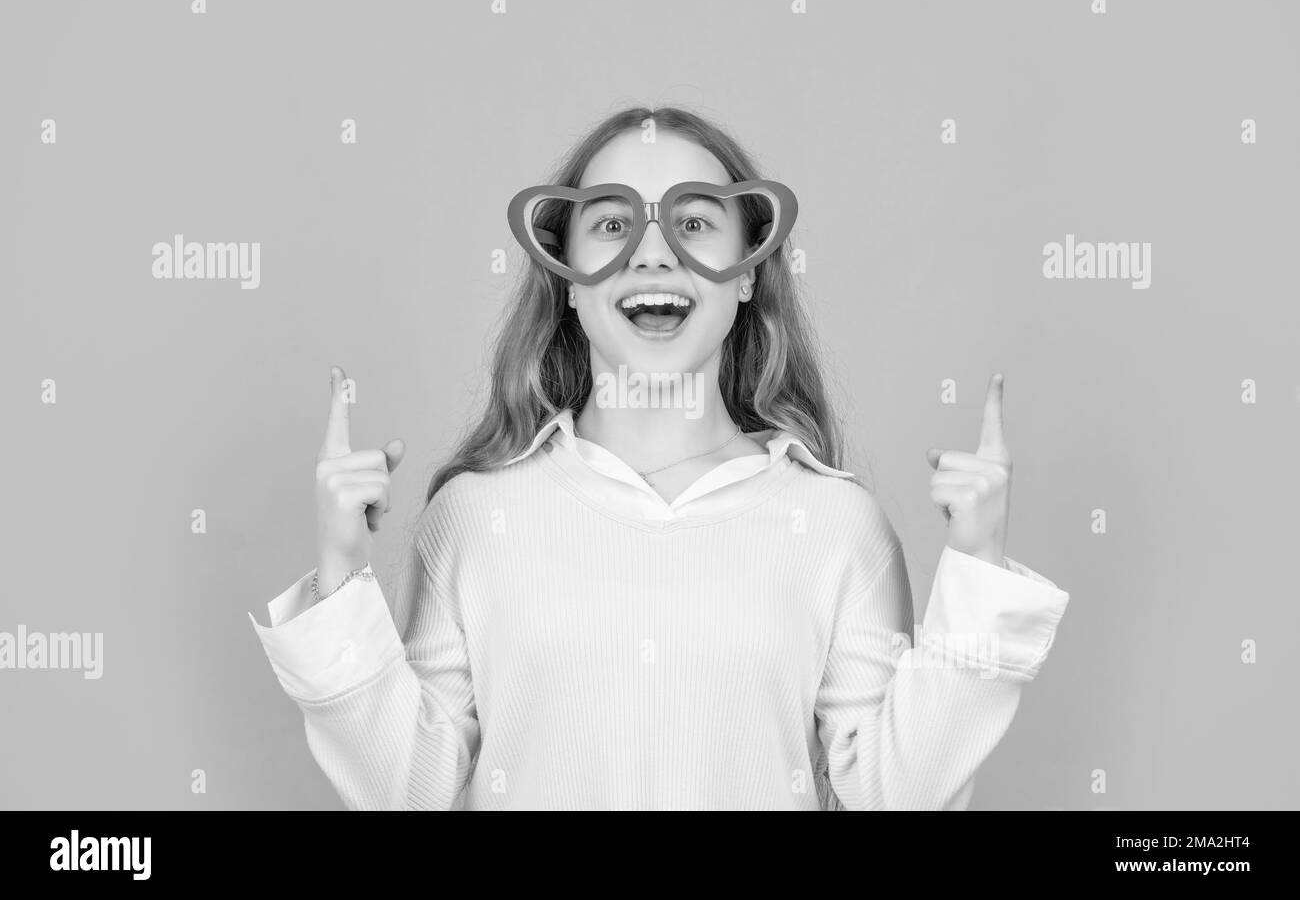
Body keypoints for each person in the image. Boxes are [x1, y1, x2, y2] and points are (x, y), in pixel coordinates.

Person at [249, 106, 1070, 810]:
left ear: (746, 276)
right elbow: (408, 787)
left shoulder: (834, 523)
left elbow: (891, 796)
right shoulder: (474, 515)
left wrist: (977, 573)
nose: (653, 253)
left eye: (695, 221)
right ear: (569, 280)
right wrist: (340, 573)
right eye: (612, 223)